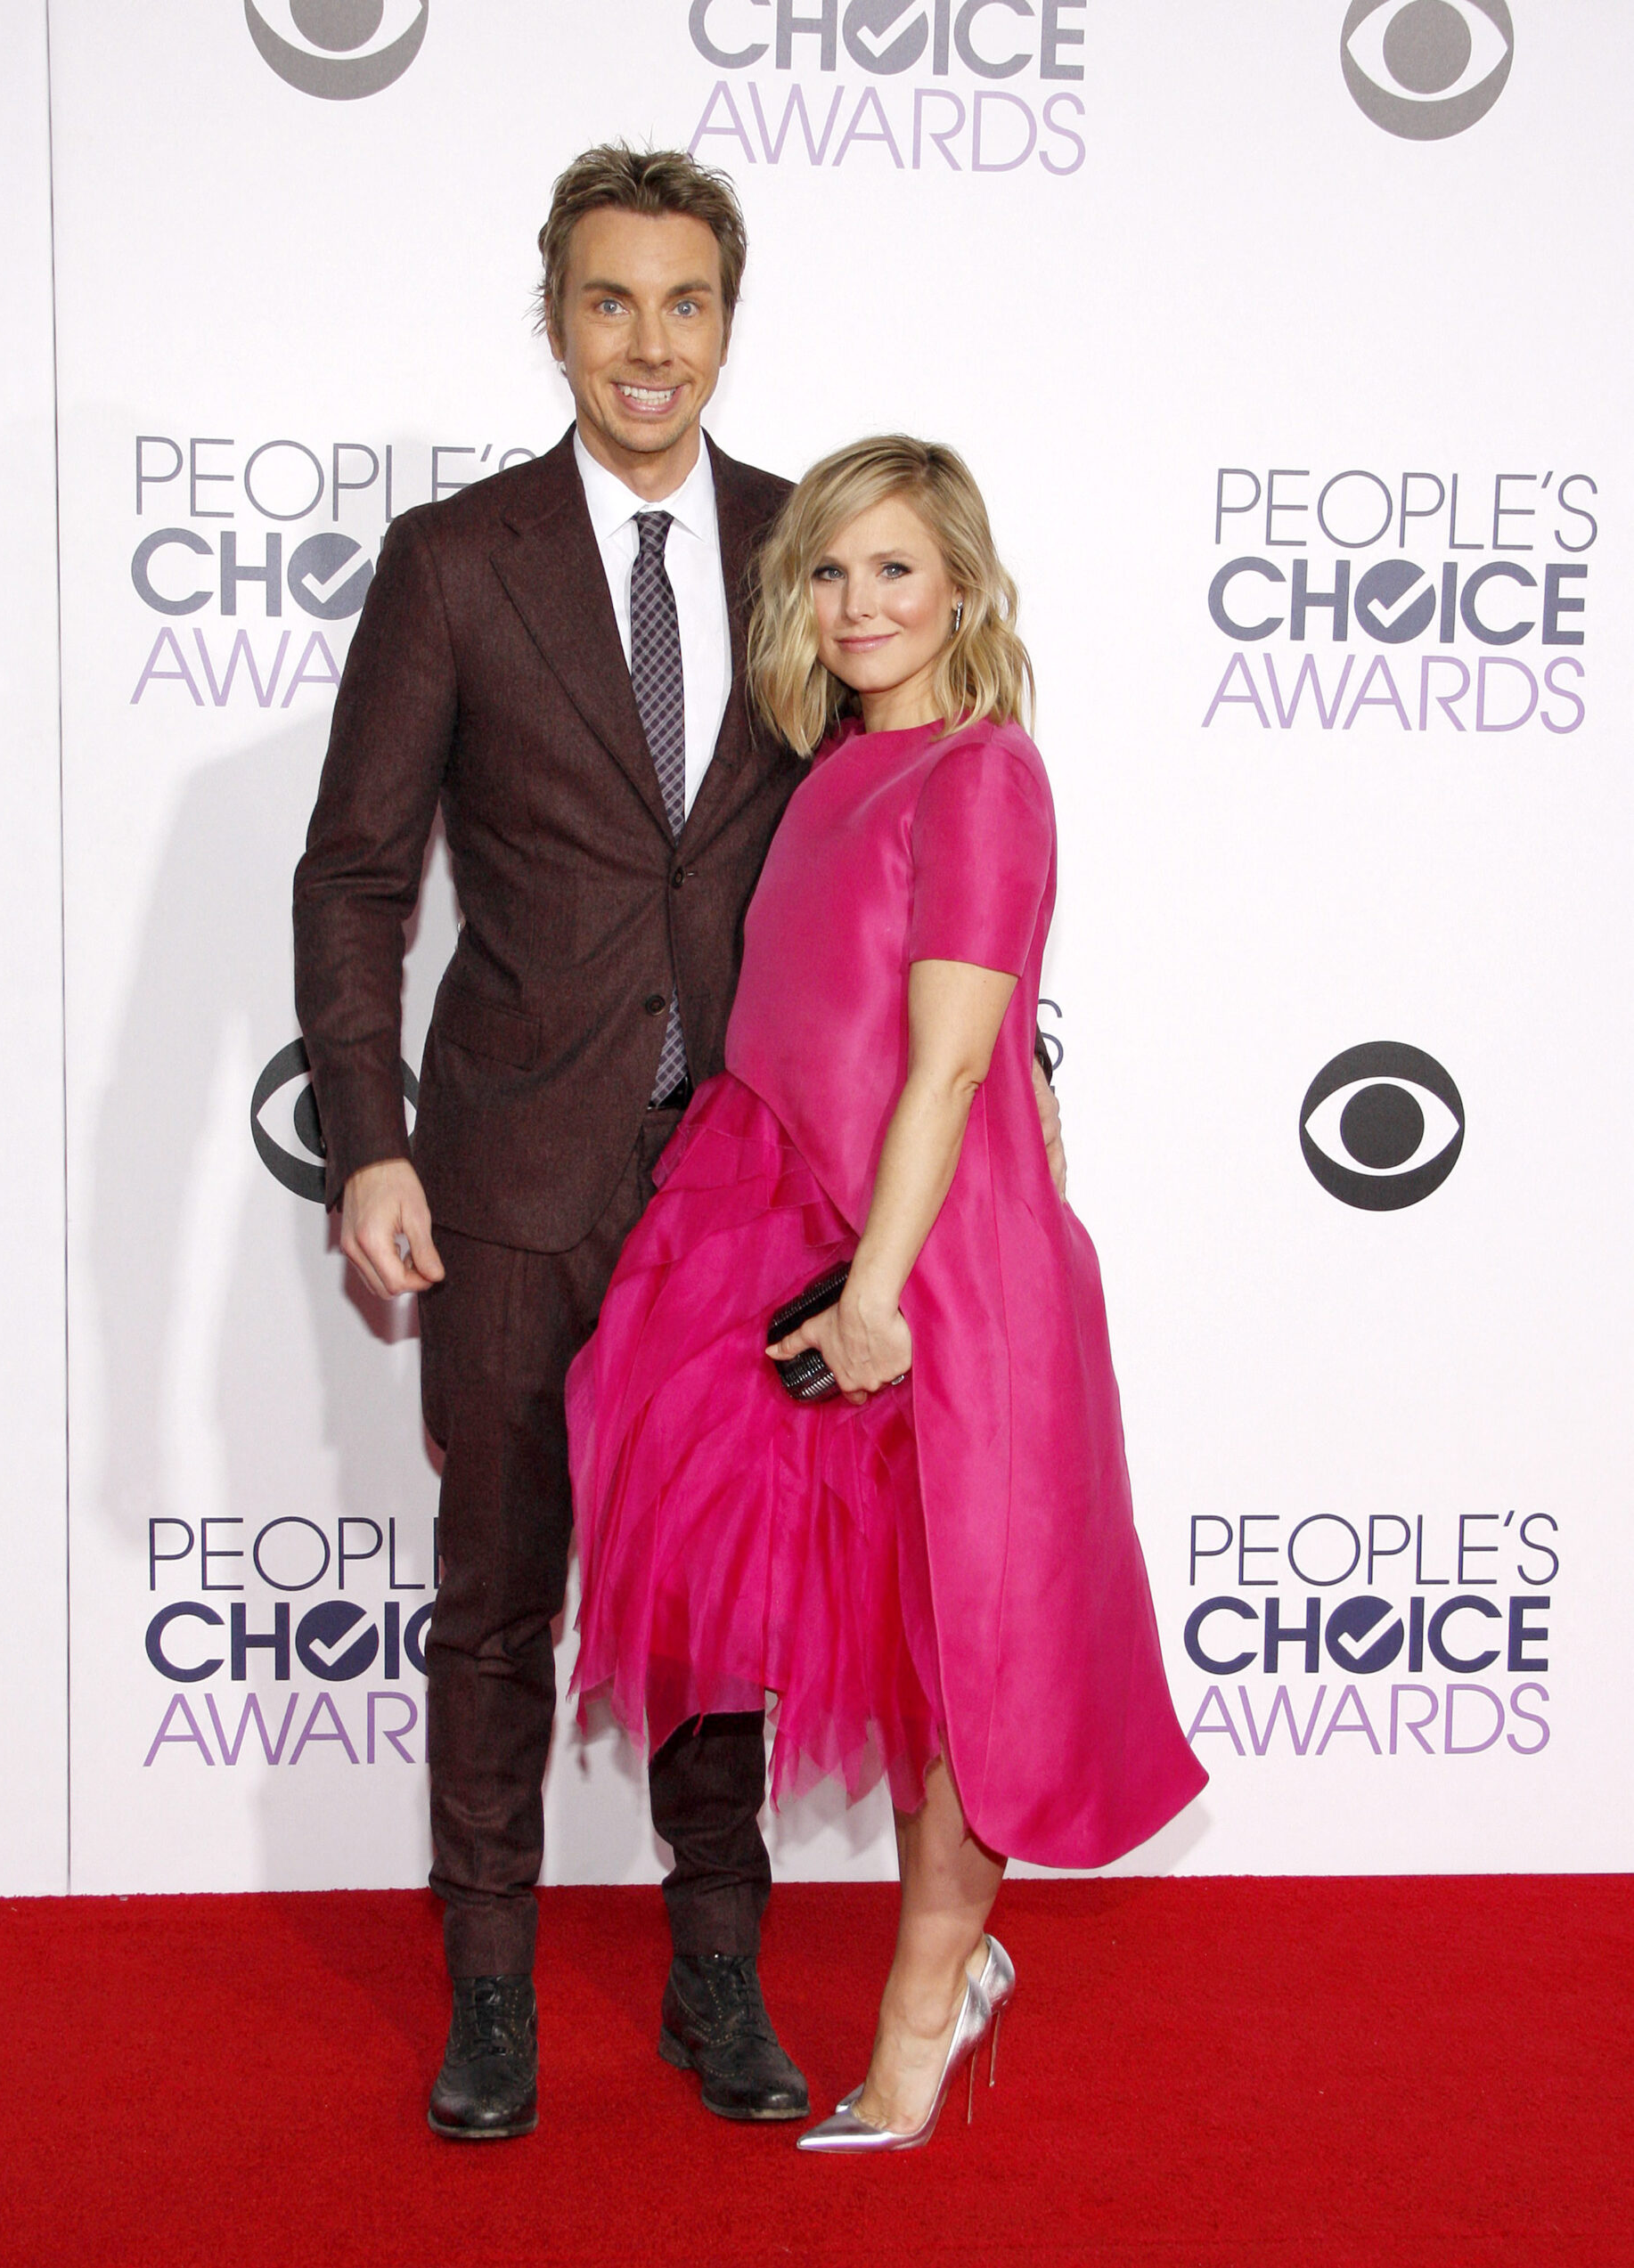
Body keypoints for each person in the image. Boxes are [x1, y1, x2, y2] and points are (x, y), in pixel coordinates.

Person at [294, 141, 1072, 2141]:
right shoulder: (455, 560)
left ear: (729, 320)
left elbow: (915, 869)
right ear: (555, 317)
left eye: (686, 302)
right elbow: (357, 871)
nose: (649, 343)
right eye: (609, 301)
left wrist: (1014, 1125)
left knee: (728, 1600)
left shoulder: (807, 553)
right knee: (497, 1593)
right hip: (508, 1172)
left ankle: (714, 1970)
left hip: (748, 1177)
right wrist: (369, 1139)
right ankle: (487, 1993)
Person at [568, 436, 1207, 2150]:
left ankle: (924, 2014)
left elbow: (948, 1065)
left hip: (936, 1272)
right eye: (830, 571)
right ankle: (945, 1971)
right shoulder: (831, 772)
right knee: (891, 1650)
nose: (858, 604)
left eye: (895, 569)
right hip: (798, 1239)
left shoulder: (981, 773)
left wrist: (878, 1291)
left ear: (963, 589)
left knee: (964, 1668)